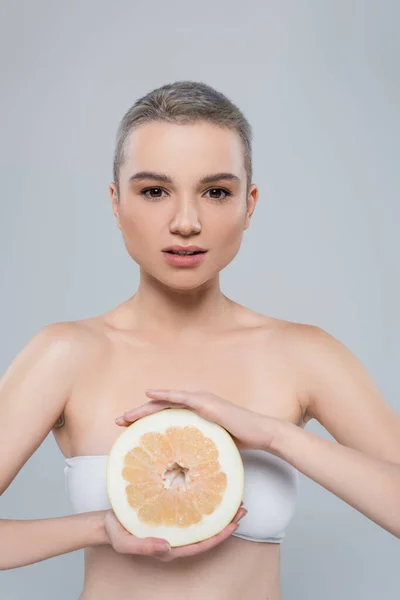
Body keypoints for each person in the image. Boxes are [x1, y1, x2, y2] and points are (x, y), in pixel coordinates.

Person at [1, 80, 399, 600]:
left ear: (249, 204)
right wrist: (101, 528)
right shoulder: (66, 354)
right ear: (116, 202)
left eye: (215, 192)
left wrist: (274, 436)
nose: (186, 222)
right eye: (154, 191)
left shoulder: (304, 356)